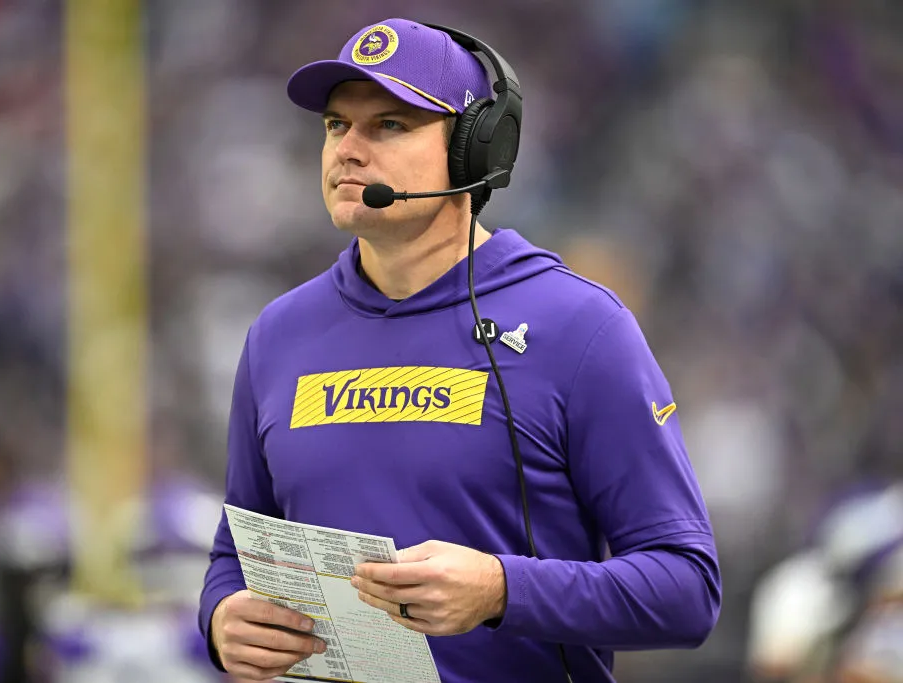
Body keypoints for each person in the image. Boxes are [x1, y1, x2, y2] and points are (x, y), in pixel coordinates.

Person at [199, 17, 721, 683]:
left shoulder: (579, 326)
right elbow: (234, 551)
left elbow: (686, 588)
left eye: (389, 125)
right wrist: (221, 618)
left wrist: (502, 589)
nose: (348, 150)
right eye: (336, 125)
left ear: (477, 147)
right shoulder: (278, 334)